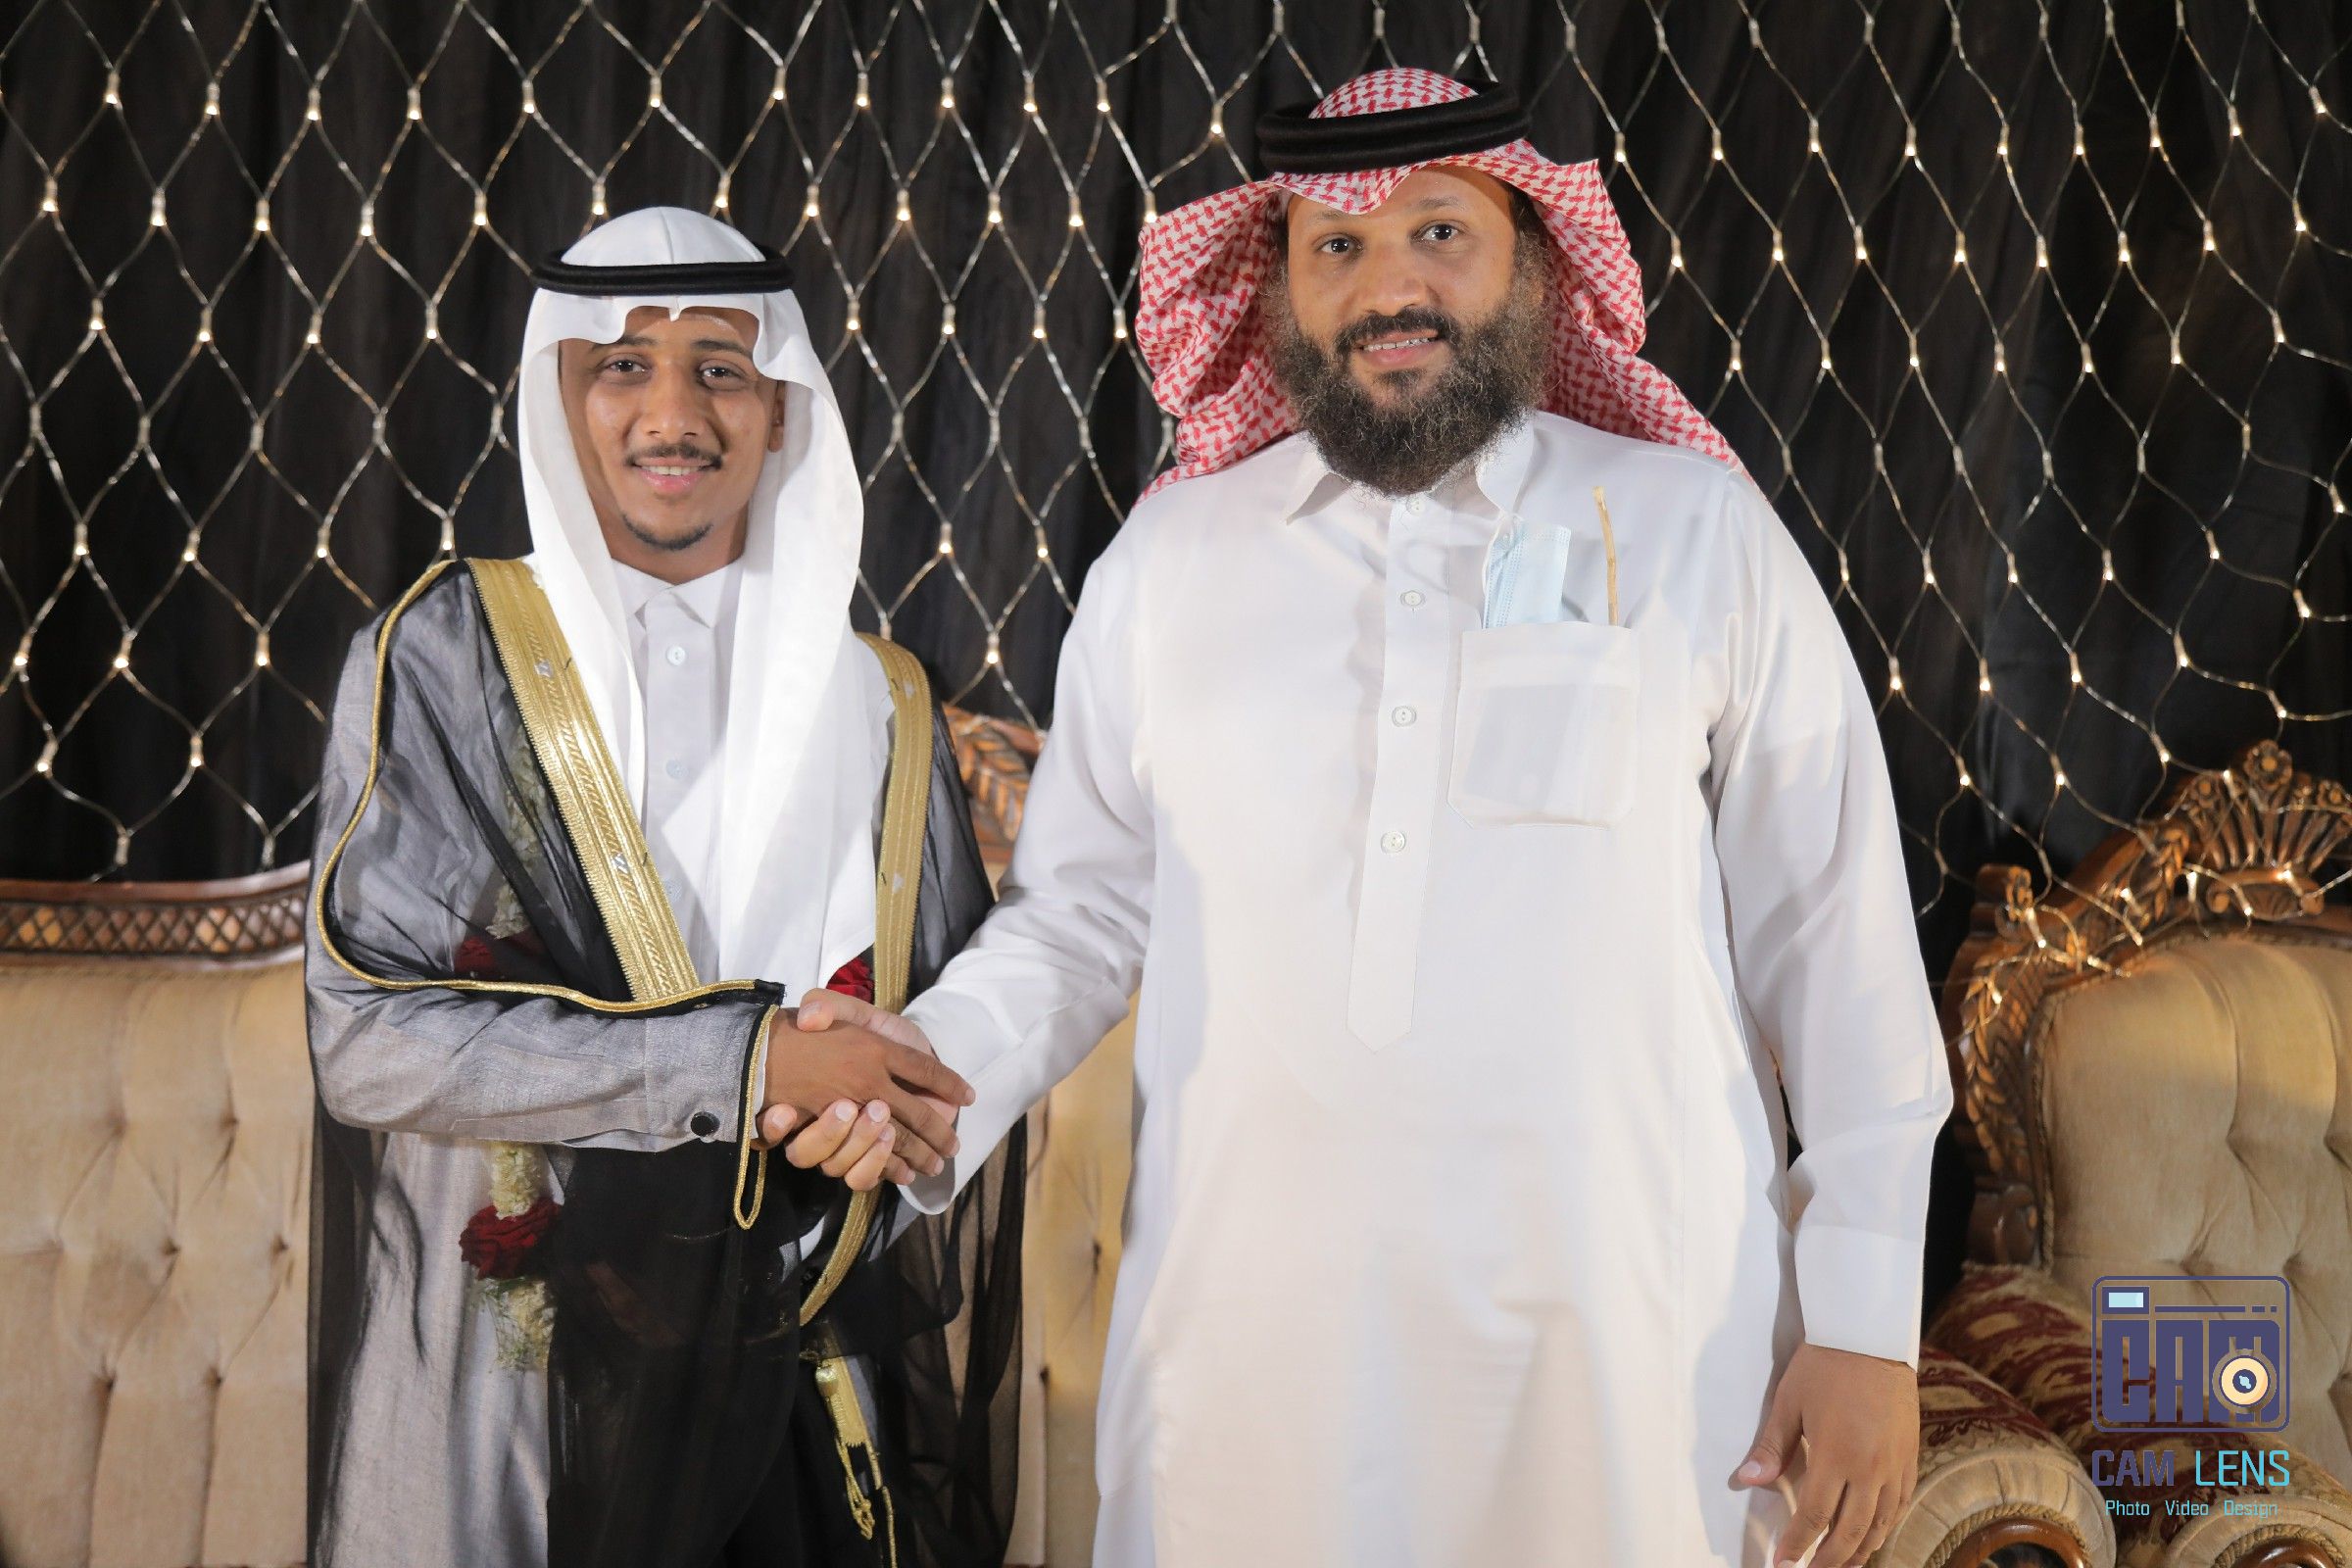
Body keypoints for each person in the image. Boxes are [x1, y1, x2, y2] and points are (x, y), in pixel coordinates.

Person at [777, 70, 1952, 1568]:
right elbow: (1080, 917)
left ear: (1533, 262)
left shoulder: (1693, 532)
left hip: (1633, 1362)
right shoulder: (1171, 561)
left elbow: (1835, 941)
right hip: (1249, 1365)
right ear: (1279, 289)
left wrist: (1863, 1323)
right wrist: (917, 1073)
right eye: (1337, 246)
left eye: (1439, 232)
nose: (1390, 286)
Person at [304, 206, 1021, 1568]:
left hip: (798, 1349)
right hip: (505, 1383)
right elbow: (368, 1043)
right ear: (559, 395)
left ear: (781, 407)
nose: (673, 413)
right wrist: (747, 1065)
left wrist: (867, 1119)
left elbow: (934, 1052)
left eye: (721, 369)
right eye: (622, 365)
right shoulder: (447, 661)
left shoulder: (882, 705)